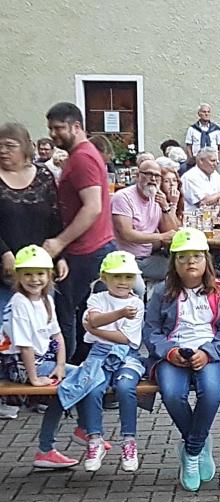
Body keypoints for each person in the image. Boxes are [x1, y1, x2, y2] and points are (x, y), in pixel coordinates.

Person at [144, 228, 220, 492]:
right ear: (174, 262)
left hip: (211, 354)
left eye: (196, 256)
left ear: (206, 260)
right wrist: (169, 352)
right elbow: (151, 331)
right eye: (183, 257)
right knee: (172, 394)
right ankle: (198, 442)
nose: (190, 263)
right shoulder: (162, 292)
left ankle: (190, 452)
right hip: (173, 353)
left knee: (210, 391)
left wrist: (208, 352)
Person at [44, 102, 117, 362]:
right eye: (50, 129)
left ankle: (68, 378)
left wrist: (58, 242)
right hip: (90, 248)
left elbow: (93, 207)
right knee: (81, 316)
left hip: (88, 251)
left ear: (77, 126)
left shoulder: (83, 157)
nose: (53, 134)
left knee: (72, 317)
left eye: (59, 128)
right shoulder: (80, 155)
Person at [0, 246, 77, 468]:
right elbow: (24, 346)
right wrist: (34, 379)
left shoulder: (46, 300)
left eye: (40, 274)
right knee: (78, 381)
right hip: (20, 365)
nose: (35, 279)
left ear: (49, 275)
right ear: (18, 276)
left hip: (42, 361)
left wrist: (61, 366)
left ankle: (48, 449)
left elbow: (58, 336)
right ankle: (87, 432)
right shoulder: (19, 302)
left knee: (77, 380)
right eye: (28, 274)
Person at [72, 251, 145, 473]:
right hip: (99, 355)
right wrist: (118, 315)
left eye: (128, 277)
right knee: (93, 388)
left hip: (127, 356)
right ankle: (94, 440)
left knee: (125, 387)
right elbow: (93, 319)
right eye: (116, 276)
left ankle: (129, 442)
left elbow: (128, 339)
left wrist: (95, 330)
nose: (123, 282)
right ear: (104, 277)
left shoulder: (136, 303)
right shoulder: (97, 298)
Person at [0, 123, 66, 313]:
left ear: (25, 147)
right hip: (5, 272)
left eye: (10, 146)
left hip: (39, 270)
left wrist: (60, 256)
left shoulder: (44, 176)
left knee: (42, 328)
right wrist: (4, 253)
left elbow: (55, 219)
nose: (3, 151)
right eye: (0, 146)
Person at [111, 159, 179, 291]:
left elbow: (172, 232)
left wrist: (166, 206)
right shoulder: (123, 197)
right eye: (148, 174)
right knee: (141, 287)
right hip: (125, 258)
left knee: (184, 269)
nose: (153, 179)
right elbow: (127, 234)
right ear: (138, 176)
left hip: (148, 257)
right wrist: (159, 237)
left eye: (157, 176)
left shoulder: (156, 197)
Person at [180, 146, 220, 212]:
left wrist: (216, 196)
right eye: (212, 161)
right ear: (201, 161)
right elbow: (203, 202)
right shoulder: (190, 177)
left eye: (217, 161)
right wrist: (219, 195)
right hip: (194, 218)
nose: (215, 164)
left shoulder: (215, 174)